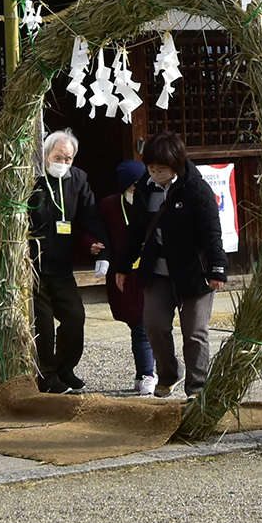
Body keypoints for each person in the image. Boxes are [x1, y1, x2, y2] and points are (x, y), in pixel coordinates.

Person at [116, 132, 228, 399]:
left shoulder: (196, 189)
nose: (155, 174)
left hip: (194, 272)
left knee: (195, 332)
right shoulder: (146, 187)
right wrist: (122, 265)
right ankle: (169, 373)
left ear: (176, 164)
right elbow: (136, 232)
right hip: (158, 271)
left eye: (161, 169)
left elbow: (211, 232)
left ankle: (197, 388)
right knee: (153, 324)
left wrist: (217, 268)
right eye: (151, 168)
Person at [29, 129, 104, 394]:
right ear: (46, 155)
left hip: (61, 266)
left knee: (75, 317)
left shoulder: (78, 179)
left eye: (68, 158)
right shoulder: (31, 178)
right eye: (58, 157)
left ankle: (64, 369)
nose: (63, 163)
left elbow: (90, 215)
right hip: (33, 267)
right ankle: (46, 377)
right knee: (44, 324)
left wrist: (100, 247)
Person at [97, 159, 157, 396]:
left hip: (152, 273)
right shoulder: (109, 207)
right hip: (125, 275)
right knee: (139, 325)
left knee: (151, 326)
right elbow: (99, 234)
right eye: (133, 186)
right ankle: (147, 373)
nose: (137, 190)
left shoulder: (154, 201)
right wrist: (97, 251)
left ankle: (151, 372)